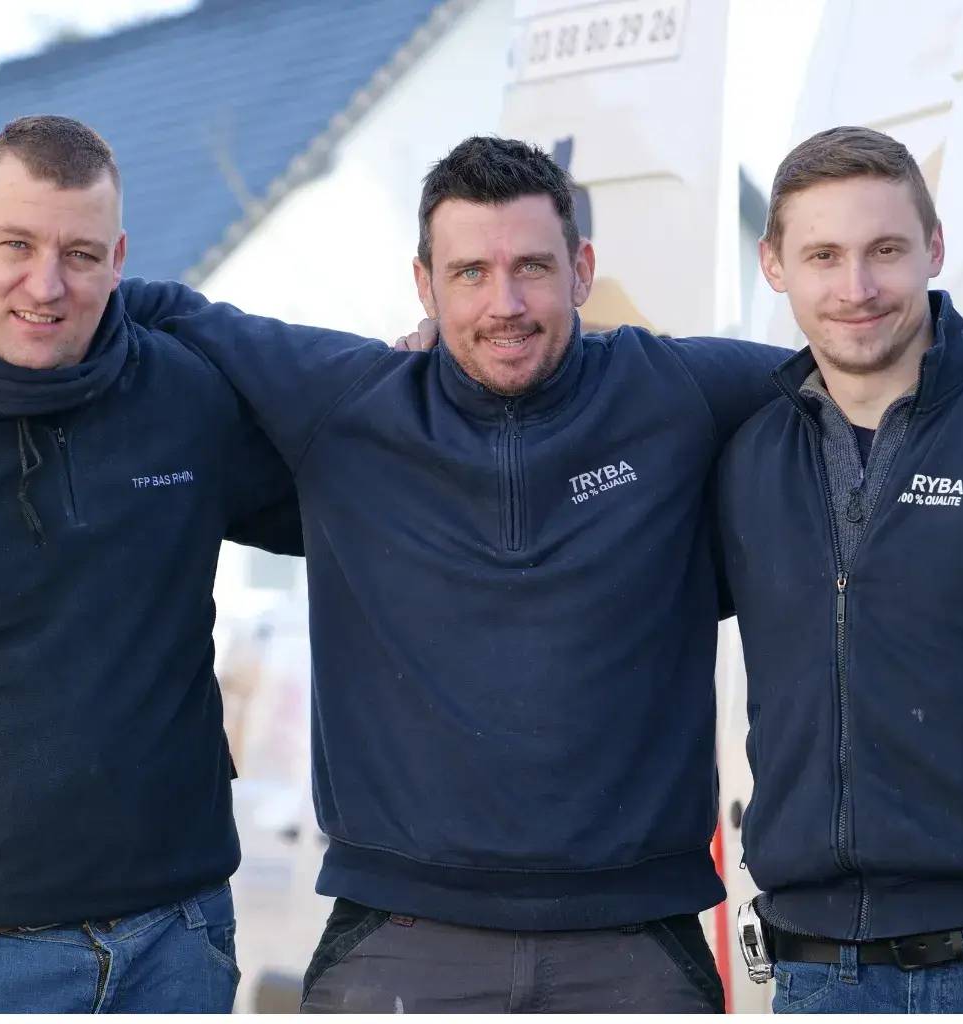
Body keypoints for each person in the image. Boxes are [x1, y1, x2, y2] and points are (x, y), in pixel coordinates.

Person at [129, 135, 790, 1013]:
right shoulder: (349, 404)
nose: (504, 303)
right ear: (424, 285)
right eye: (470, 272)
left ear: (582, 268)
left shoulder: (677, 391)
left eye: (531, 268)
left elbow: (863, 360)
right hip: (401, 944)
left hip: (636, 945)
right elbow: (155, 306)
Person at [0, 115, 303, 1013]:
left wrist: (435, 382)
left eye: (81, 253)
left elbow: (355, 512)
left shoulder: (185, 394)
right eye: (16, 245)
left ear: (119, 258)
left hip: (178, 944)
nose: (46, 284)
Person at [718, 126, 963, 1013]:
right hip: (813, 971)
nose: (856, 289)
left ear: (934, 249)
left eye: (886, 251)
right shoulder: (742, 459)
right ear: (775, 264)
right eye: (823, 255)